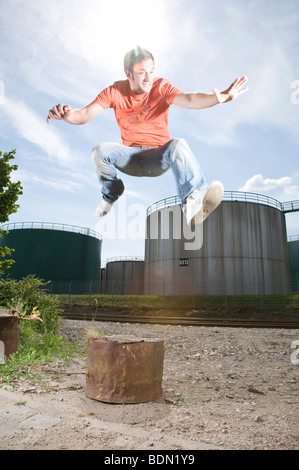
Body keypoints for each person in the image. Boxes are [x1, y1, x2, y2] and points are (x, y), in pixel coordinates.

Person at [47, 46, 248, 227]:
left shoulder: (161, 87)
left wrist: (218, 98)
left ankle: (192, 203)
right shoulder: (114, 91)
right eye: (141, 73)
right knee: (99, 151)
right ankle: (111, 194)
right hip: (130, 158)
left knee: (178, 144)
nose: (148, 78)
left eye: (151, 72)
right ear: (128, 74)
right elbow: (83, 115)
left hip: (157, 157)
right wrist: (67, 115)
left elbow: (189, 99)